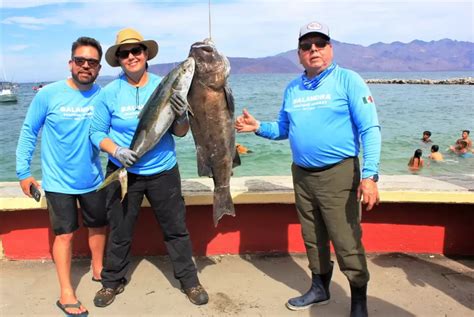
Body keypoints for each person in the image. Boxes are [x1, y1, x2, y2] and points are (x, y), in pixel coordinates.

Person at [235, 21, 380, 317]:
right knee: (312, 236)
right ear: (299, 53)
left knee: (345, 239)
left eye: (320, 44)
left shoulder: (348, 80)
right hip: (301, 175)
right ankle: (320, 287)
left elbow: (370, 129)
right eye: (306, 46)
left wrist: (370, 175)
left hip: (339, 173)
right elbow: (284, 129)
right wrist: (258, 127)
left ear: (330, 48)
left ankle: (359, 302)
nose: (313, 50)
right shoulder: (293, 88)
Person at [89, 28, 208, 308]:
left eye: (136, 51)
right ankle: (111, 282)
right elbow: (96, 132)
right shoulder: (109, 93)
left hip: (163, 171)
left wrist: (181, 114)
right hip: (123, 171)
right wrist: (116, 151)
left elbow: (180, 132)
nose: (131, 56)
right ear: (118, 59)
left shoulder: (165, 84)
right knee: (120, 229)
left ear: (146, 54)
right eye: (124, 53)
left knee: (176, 228)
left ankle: (189, 281)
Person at [16, 37, 106, 316]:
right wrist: (23, 173)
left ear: (99, 68)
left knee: (99, 225)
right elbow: (29, 131)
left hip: (93, 178)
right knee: (65, 235)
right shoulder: (48, 94)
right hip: (58, 182)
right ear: (71, 63)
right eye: (80, 60)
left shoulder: (102, 95)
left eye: (92, 62)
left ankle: (99, 268)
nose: (85, 66)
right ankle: (66, 291)